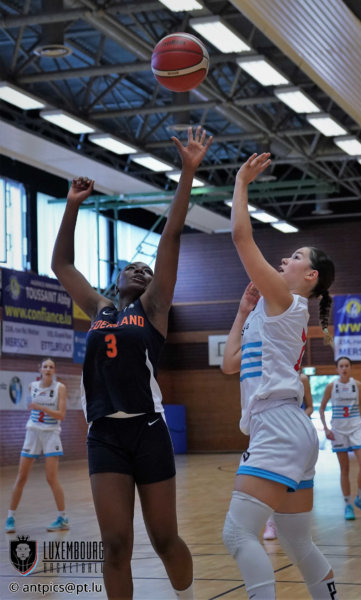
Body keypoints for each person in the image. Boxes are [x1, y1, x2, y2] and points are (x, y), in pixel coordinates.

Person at [51, 126, 212, 600]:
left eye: (147, 269)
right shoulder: (100, 308)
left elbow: (172, 235)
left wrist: (187, 172)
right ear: (118, 279)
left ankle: (186, 597)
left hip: (147, 430)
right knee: (116, 544)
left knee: (164, 539)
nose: (142, 270)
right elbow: (62, 265)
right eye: (133, 268)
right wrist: (72, 206)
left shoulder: (154, 307)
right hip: (104, 433)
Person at [221, 151, 338, 599]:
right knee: (295, 541)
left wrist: (241, 182)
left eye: (295, 257)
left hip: (277, 425)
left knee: (237, 534)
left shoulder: (289, 302)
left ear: (310, 276)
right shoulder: (267, 311)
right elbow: (230, 364)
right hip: (291, 427)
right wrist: (241, 311)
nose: (285, 259)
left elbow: (240, 236)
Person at [5, 358, 69, 533]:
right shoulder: (31, 386)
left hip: (51, 433)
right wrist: (36, 408)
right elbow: (30, 408)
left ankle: (63, 518)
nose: (48, 369)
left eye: (51, 367)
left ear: (54, 371)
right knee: (21, 477)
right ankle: (10, 517)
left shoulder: (60, 388)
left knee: (51, 478)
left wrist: (41, 407)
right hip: (32, 432)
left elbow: (61, 415)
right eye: (45, 366)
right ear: (39, 369)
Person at [319, 356, 361, 520]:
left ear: (351, 368)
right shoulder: (332, 386)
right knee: (344, 469)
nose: (344, 368)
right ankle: (347, 505)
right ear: (337, 369)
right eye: (341, 366)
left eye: (347, 366)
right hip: (338, 431)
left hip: (356, 428)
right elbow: (321, 408)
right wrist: (326, 428)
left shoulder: (357, 385)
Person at [263, 372, 314, 540]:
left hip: (298, 434)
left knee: (295, 480)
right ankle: (270, 523)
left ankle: (292, 524)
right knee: (273, 479)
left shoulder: (302, 379)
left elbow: (310, 406)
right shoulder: (272, 373)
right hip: (275, 431)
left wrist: (299, 417)